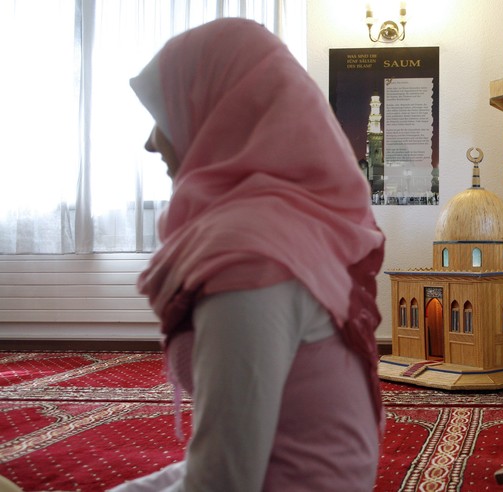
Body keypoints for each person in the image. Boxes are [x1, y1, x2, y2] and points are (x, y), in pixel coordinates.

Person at [113, 18, 385, 491]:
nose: (150, 140)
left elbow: (223, 483)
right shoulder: (287, 228)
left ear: (221, 113)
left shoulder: (253, 258)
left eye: (165, 112)